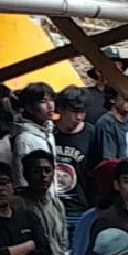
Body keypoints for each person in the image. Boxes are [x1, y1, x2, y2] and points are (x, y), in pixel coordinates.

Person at [53, 87, 96, 238]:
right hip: (54, 207)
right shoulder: (49, 133)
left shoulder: (91, 134)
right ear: (61, 110)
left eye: (82, 112)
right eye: (74, 112)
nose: (79, 117)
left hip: (80, 208)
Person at [19, 150, 67, 255]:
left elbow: (62, 241)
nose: (43, 176)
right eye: (36, 171)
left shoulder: (56, 204)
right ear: (26, 175)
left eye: (48, 171)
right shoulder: (18, 205)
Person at [10, 82, 56, 190]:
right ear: (30, 108)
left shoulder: (48, 132)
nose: (50, 105)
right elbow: (21, 177)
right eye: (43, 102)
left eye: (51, 100)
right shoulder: (24, 139)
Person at [81, 47, 128, 124]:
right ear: (98, 71)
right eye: (113, 67)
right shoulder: (84, 95)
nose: (118, 72)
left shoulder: (125, 98)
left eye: (120, 68)